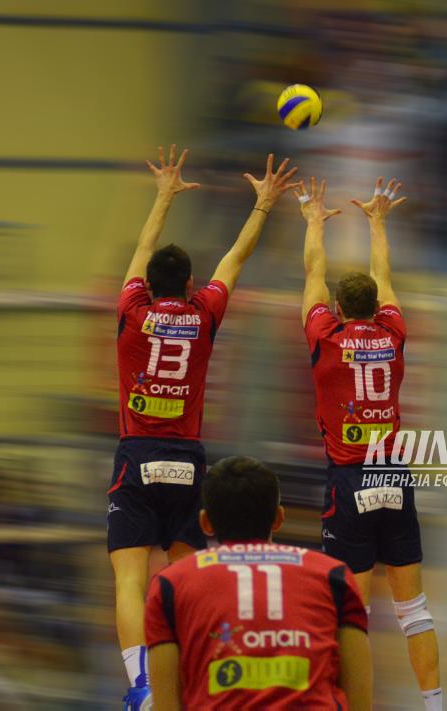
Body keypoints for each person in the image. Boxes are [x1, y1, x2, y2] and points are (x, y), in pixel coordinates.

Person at [110, 146, 300, 710]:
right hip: (187, 460)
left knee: (129, 580)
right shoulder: (203, 315)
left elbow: (141, 250)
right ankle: (196, 676)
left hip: (137, 455)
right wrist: (263, 204)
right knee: (187, 581)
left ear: (146, 285)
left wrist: (163, 195)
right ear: (191, 282)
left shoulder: (132, 313)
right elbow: (235, 259)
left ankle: (142, 685)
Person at [294, 176, 443, 709]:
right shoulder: (394, 334)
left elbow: (313, 273)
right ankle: (435, 705)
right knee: (414, 611)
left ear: (337, 307)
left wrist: (314, 220)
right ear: (378, 307)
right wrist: (378, 221)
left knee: (352, 617)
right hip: (393, 476)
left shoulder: (325, 337)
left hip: (349, 482)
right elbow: (384, 276)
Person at [144, 456, 373, 710]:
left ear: (205, 523)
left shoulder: (170, 584)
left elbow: (166, 702)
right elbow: (360, 700)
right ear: (278, 517)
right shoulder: (333, 576)